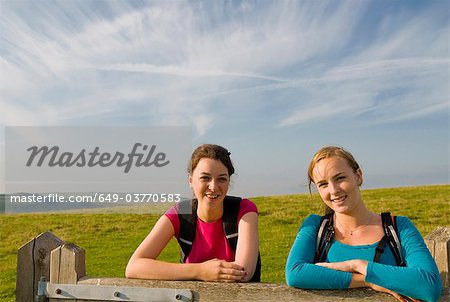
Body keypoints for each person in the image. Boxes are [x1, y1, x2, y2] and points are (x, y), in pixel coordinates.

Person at [285, 146, 442, 302]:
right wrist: (368, 280)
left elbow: (429, 285)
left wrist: (358, 265)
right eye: (323, 184)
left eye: (340, 178)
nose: (333, 190)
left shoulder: (398, 227)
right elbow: (295, 273)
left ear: (358, 176)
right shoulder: (315, 226)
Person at [126, 144, 260, 282]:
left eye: (222, 179)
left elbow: (243, 273)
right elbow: (134, 267)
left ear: (228, 181)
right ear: (190, 180)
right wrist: (200, 271)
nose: (213, 187)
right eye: (205, 178)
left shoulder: (244, 210)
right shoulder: (178, 214)